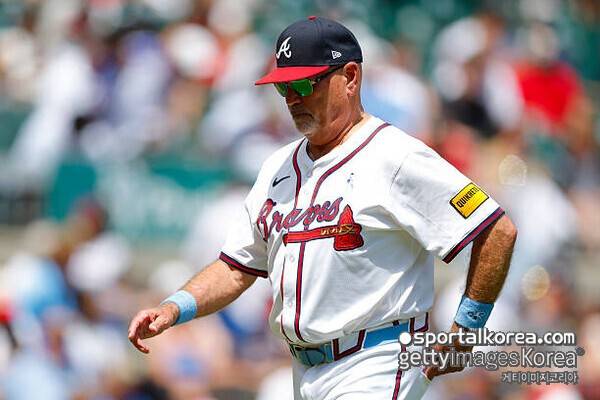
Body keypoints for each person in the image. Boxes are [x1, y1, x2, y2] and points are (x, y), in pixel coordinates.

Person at [128, 16, 517, 399]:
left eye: (303, 83)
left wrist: (466, 330)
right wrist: (174, 307)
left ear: (350, 77)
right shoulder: (277, 167)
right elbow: (236, 267)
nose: (292, 98)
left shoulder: (396, 157)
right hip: (305, 372)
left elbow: (495, 231)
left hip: (377, 361)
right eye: (283, 87)